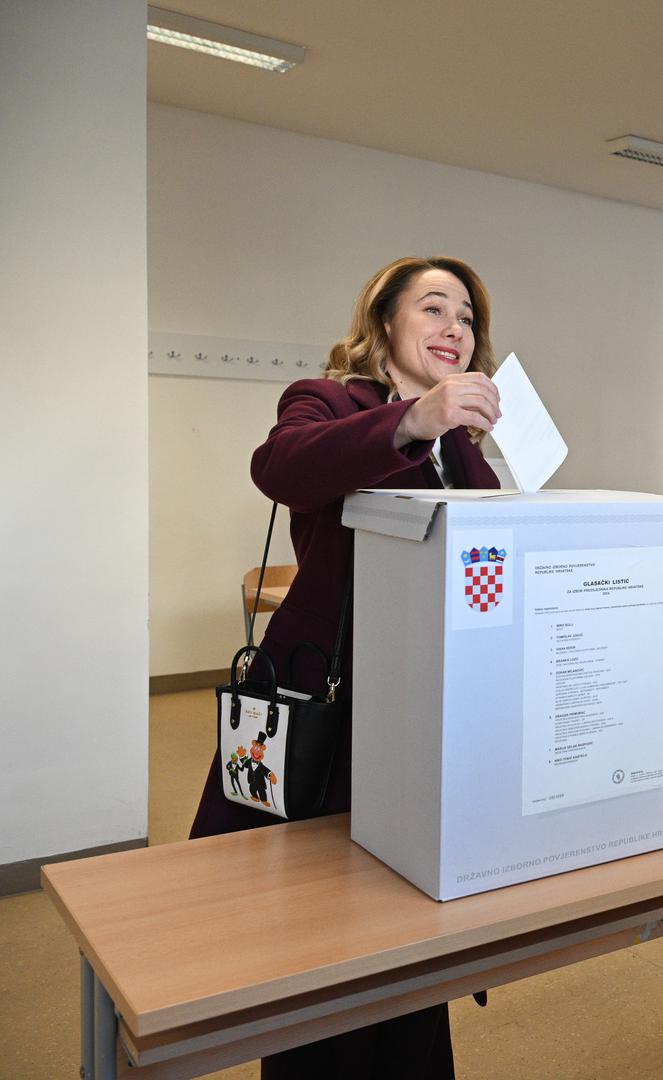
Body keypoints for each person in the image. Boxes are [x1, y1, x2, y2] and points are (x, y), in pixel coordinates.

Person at [188, 255, 504, 1079]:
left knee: (407, 919)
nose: (453, 328)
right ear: (384, 323)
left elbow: (491, 549)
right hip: (324, 697)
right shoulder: (326, 399)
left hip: (419, 700)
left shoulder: (461, 447)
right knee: (315, 927)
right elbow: (280, 468)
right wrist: (409, 422)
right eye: (433, 308)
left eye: (465, 317)